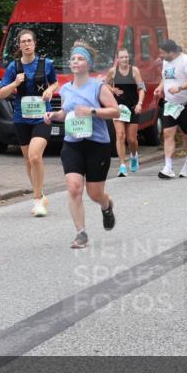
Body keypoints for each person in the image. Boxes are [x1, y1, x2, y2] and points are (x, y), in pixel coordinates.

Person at [42, 43, 119, 249]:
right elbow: (67, 113)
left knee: (94, 193)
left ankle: (106, 204)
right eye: (73, 58)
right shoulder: (65, 88)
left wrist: (93, 112)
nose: (75, 61)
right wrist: (53, 115)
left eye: (80, 58)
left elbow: (115, 111)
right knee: (74, 188)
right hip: (73, 144)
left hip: (97, 144)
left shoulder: (98, 87)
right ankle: (81, 233)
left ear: (88, 64)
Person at [0, 28, 58, 217]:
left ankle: (37, 201)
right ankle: (40, 193)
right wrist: (15, 84)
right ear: (19, 45)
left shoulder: (46, 64)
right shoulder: (13, 68)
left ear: (34, 44)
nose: (26, 44)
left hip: (43, 116)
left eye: (29, 41)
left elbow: (55, 82)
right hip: (21, 117)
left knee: (35, 157)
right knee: (28, 160)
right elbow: (1, 93)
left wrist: (51, 90)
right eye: (23, 41)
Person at [154, 39, 187, 179]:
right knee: (168, 133)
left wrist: (180, 88)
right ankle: (168, 167)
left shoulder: (186, 61)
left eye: (162, 53)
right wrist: (160, 88)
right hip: (170, 103)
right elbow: (165, 78)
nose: (160, 55)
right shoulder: (166, 62)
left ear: (171, 52)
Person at [104, 48, 145, 176]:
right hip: (119, 108)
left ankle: (133, 156)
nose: (124, 59)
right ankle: (122, 165)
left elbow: (142, 88)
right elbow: (104, 84)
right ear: (117, 59)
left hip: (133, 108)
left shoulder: (134, 71)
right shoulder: (112, 71)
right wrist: (112, 89)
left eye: (126, 57)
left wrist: (140, 104)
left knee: (131, 139)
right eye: (122, 57)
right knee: (120, 135)